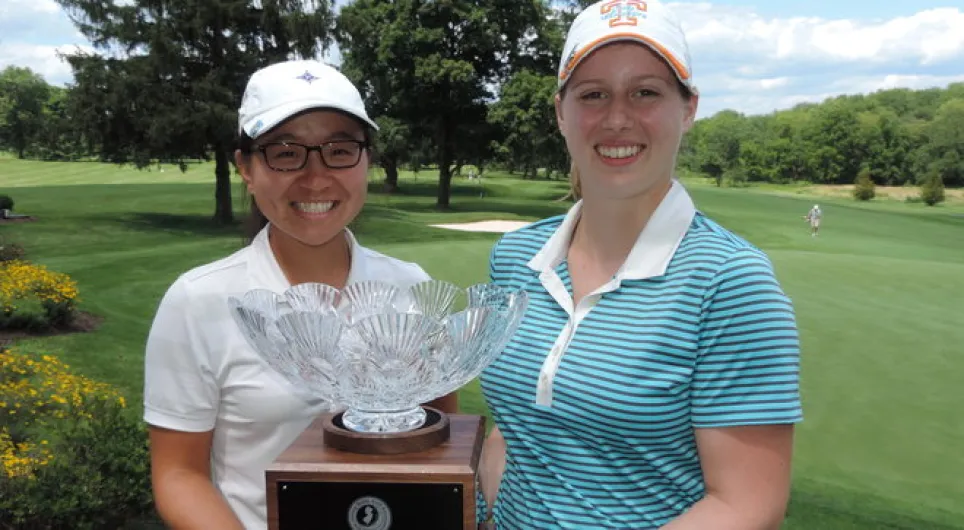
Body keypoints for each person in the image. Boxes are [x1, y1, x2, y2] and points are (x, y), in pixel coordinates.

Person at [477, 1, 803, 529]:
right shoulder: (514, 259)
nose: (617, 118)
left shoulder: (731, 283)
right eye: (594, 94)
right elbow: (512, 433)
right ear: (561, 112)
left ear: (688, 108)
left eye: (645, 92)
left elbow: (745, 505)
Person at [143, 59, 458, 530]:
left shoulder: (412, 290)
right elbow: (179, 473)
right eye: (285, 152)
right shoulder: (198, 302)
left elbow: (437, 447)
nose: (315, 177)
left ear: (366, 160)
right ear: (245, 168)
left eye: (340, 149)